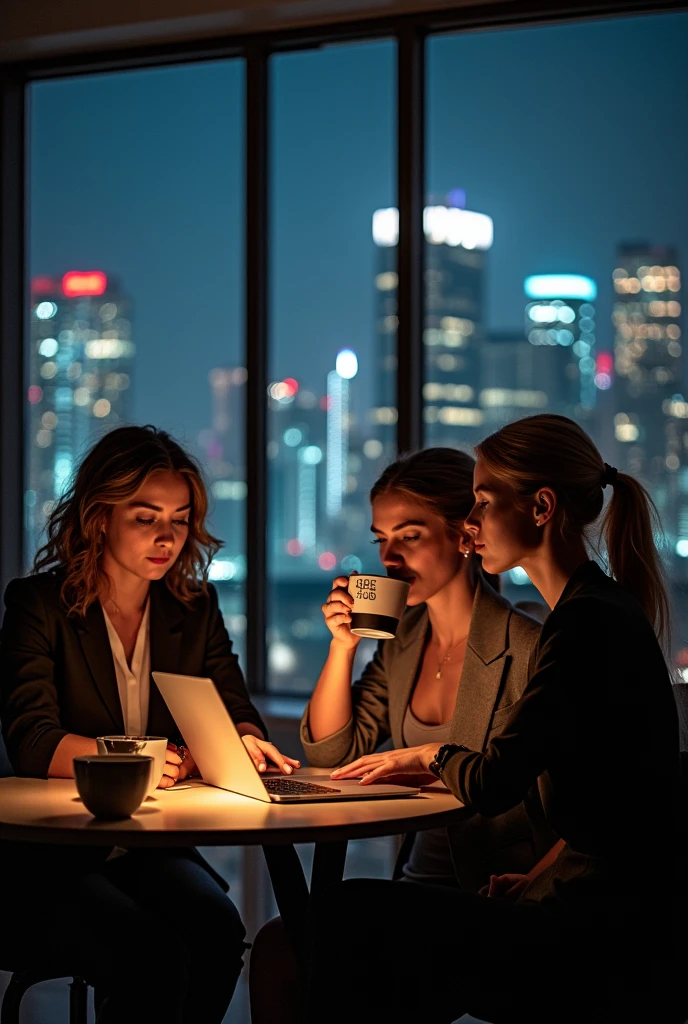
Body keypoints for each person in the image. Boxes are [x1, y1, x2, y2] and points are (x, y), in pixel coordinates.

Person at [305, 415, 682, 1024]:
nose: (471, 523)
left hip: (595, 933)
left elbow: (493, 783)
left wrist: (427, 754)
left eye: (482, 502)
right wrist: (534, 877)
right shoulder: (592, 613)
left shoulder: (580, 626)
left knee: (339, 918)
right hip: (590, 908)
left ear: (541, 507)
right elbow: (609, 803)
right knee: (345, 935)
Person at [0, 425, 300, 1024]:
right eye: (145, 518)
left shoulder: (194, 608)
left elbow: (237, 707)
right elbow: (32, 742)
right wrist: (135, 758)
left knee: (218, 933)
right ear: (99, 518)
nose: (167, 537)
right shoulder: (39, 605)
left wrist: (242, 742)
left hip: (148, 846)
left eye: (180, 519)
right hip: (48, 854)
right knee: (152, 956)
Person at [249, 447, 558, 1024]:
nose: (389, 557)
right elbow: (333, 749)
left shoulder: (525, 643)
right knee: (288, 949)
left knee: (295, 951)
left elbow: (574, 799)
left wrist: (533, 883)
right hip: (420, 878)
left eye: (409, 536)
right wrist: (343, 647)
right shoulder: (404, 639)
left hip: (492, 890)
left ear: (464, 536)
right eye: (381, 539)